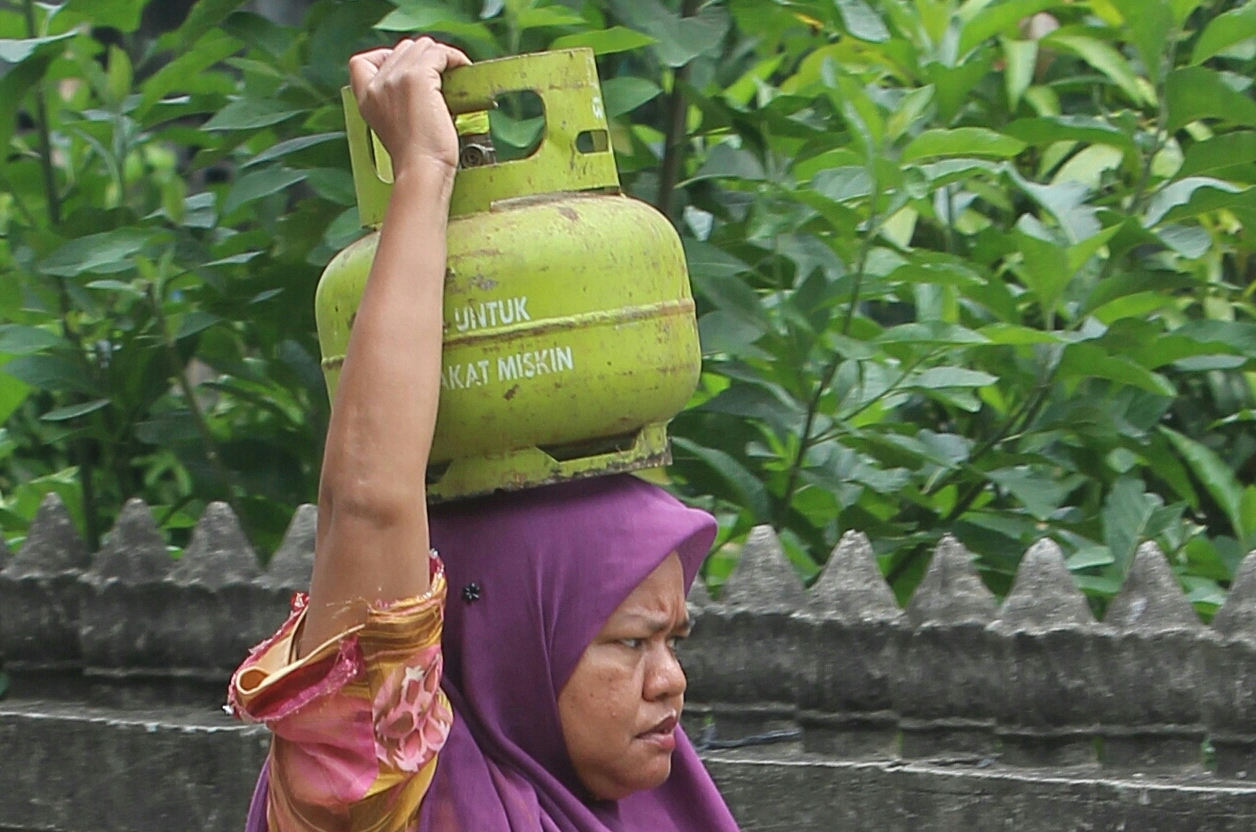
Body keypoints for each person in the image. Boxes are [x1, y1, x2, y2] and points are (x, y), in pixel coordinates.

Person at [228, 36, 742, 832]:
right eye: (633, 643)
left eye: (673, 640)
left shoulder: (646, 807)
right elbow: (368, 503)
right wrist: (426, 170)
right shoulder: (393, 798)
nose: (671, 680)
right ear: (513, 650)